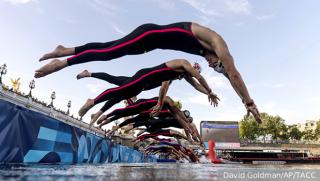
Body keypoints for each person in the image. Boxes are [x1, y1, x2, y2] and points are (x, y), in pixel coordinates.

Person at [35, 22, 261, 123]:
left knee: (109, 48)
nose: (212, 66)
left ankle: (67, 50)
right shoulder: (216, 41)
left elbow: (204, 80)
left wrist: (207, 94)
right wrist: (248, 103)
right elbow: (233, 74)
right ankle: (64, 61)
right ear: (222, 58)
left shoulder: (204, 54)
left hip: (148, 44)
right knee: (111, 52)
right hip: (148, 34)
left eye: (215, 67)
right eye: (216, 64)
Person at [77, 59, 219, 131]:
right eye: (193, 73)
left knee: (117, 84)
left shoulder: (182, 75)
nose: (192, 76)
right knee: (119, 91)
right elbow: (164, 86)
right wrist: (210, 91)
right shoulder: (182, 64)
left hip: (144, 85)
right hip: (144, 77)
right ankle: (93, 101)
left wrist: (207, 93)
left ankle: (90, 77)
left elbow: (195, 85)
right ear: (192, 69)